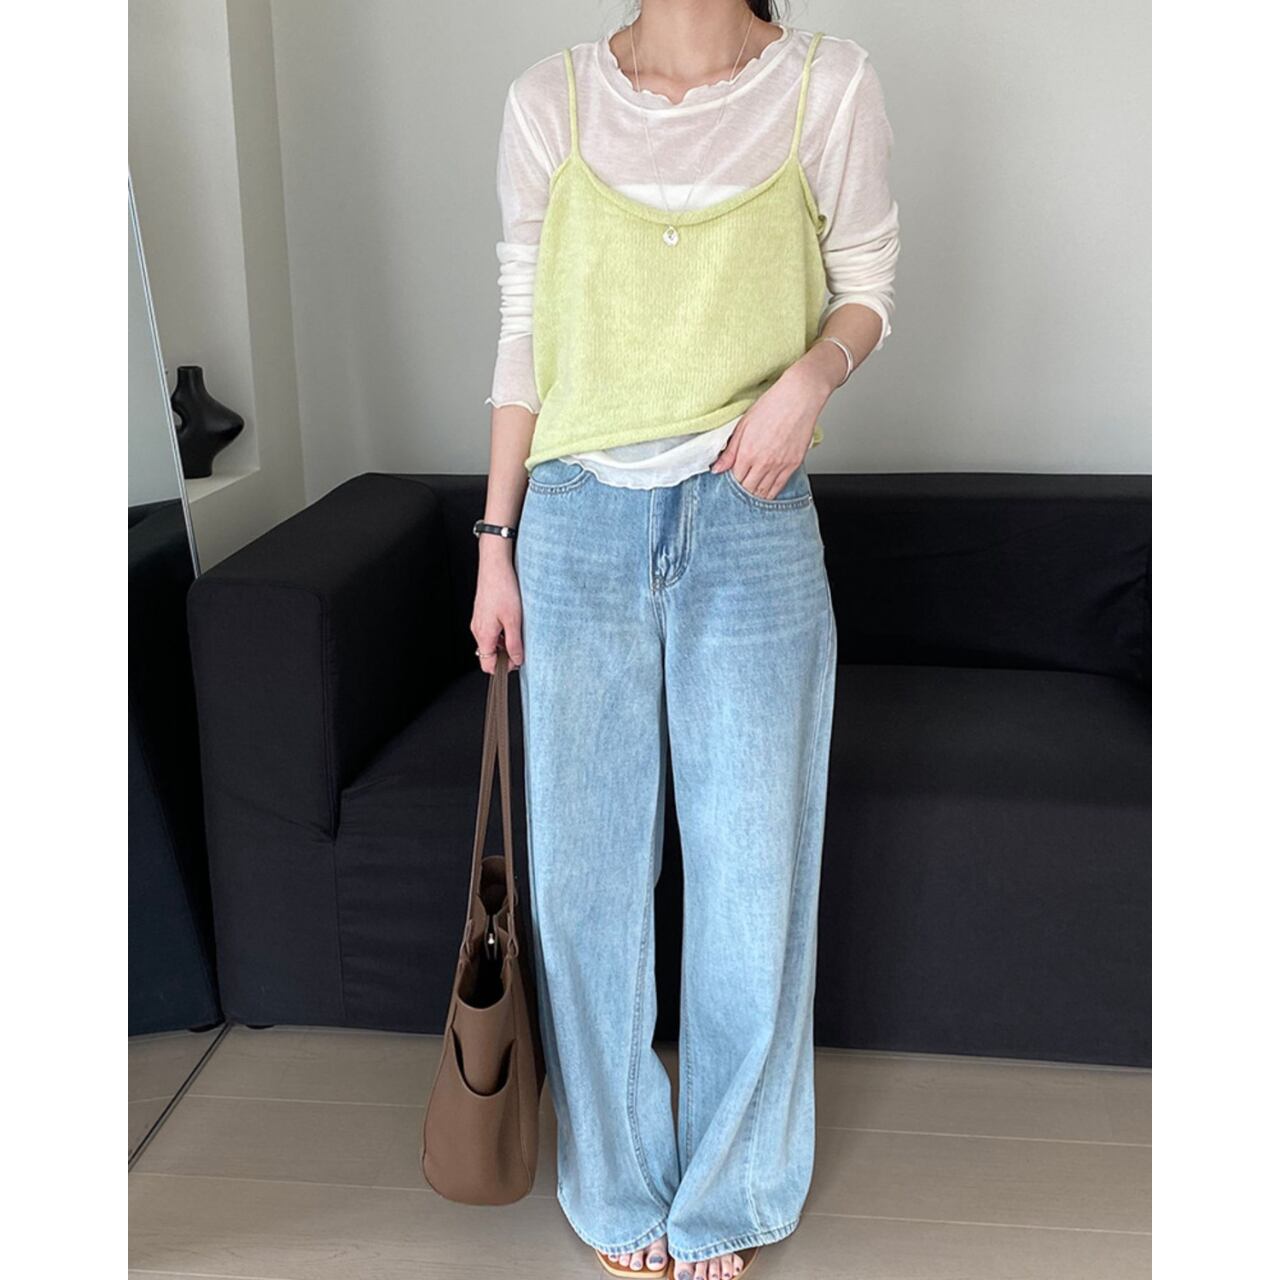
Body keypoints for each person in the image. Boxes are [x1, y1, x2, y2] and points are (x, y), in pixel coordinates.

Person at [471, 3, 898, 1276]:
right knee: (585, 884)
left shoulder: (826, 85)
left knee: (752, 881)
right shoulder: (547, 100)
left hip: (749, 519)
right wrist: (493, 540)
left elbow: (868, 289)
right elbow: (521, 336)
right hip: (574, 526)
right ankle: (613, 1180)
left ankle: (729, 1188)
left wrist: (806, 380)